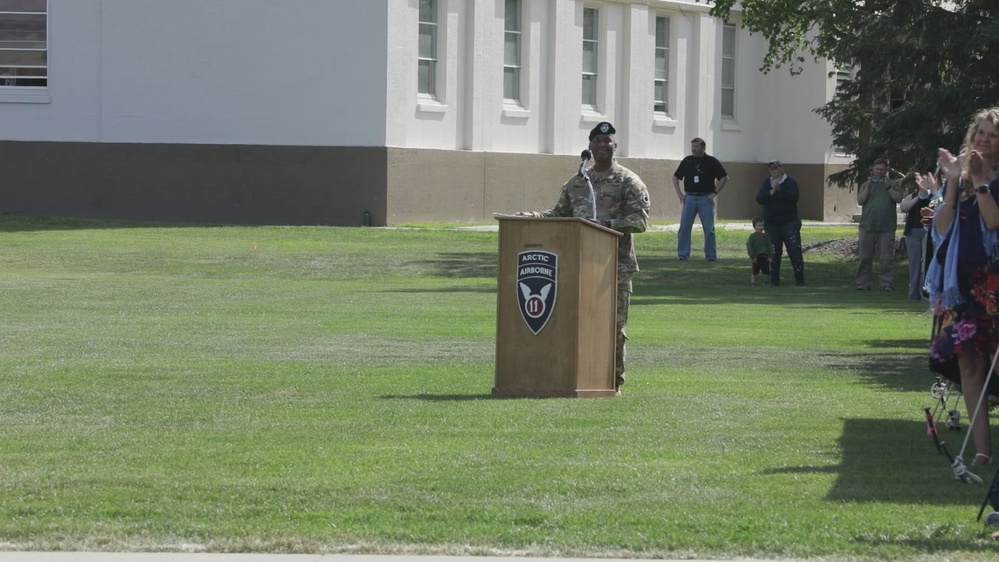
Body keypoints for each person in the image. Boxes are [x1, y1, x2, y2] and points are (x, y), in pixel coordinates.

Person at [515, 122, 651, 390]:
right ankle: (577, 377)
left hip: (614, 266)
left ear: (615, 146)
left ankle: (613, 381)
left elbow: (641, 221)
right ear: (589, 146)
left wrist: (608, 225)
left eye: (607, 140)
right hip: (576, 266)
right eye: (597, 140)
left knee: (614, 326)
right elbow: (558, 214)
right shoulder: (578, 182)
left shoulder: (628, 181)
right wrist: (532, 216)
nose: (602, 145)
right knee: (575, 325)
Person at [927, 107, 999, 467]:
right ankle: (983, 452)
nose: (984, 140)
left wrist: (983, 181)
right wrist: (953, 180)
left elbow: (993, 219)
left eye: (992, 135)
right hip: (962, 288)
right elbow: (941, 226)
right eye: (980, 133)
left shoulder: (993, 179)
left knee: (997, 364)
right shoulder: (962, 176)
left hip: (994, 285)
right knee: (969, 365)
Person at [672, 137, 728, 261]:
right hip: (690, 198)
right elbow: (675, 177)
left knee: (709, 229)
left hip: (705, 198)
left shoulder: (712, 161)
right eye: (692, 147)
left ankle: (711, 255)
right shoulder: (687, 161)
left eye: (696, 147)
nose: (694, 149)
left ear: (703, 148)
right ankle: (683, 254)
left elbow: (724, 178)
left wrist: (714, 193)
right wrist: (679, 194)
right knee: (684, 228)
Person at [855, 158, 904, 291]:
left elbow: (899, 199)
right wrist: (869, 187)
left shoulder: (893, 184)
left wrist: (888, 187)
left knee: (887, 257)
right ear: (872, 169)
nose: (879, 172)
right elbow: (860, 201)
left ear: (886, 171)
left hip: (886, 226)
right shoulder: (866, 184)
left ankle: (887, 284)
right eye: (877, 169)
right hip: (867, 225)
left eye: (882, 170)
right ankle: (862, 283)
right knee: (865, 257)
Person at [754, 160, 805, 286]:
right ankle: (774, 280)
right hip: (772, 224)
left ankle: (799, 280)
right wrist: (771, 192)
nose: (773, 171)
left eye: (776, 168)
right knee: (774, 253)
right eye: (771, 169)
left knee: (794, 251)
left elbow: (794, 197)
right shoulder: (767, 183)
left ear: (781, 169)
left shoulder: (790, 183)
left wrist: (780, 190)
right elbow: (759, 198)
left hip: (789, 223)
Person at [899, 171, 938, 300]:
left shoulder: (936, 196)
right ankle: (913, 293)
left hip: (928, 233)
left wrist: (928, 193)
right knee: (914, 264)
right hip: (913, 232)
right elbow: (903, 207)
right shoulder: (914, 195)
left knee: (926, 263)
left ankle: (925, 293)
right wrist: (920, 195)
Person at [746, 216, 773, 286]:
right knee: (754, 271)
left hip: (765, 257)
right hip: (756, 257)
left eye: (762, 225)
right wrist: (753, 257)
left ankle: (766, 282)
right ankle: (753, 283)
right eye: (759, 225)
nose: (761, 227)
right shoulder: (752, 237)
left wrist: (770, 256)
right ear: (754, 226)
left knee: (766, 271)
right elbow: (749, 247)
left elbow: (770, 246)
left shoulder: (766, 236)